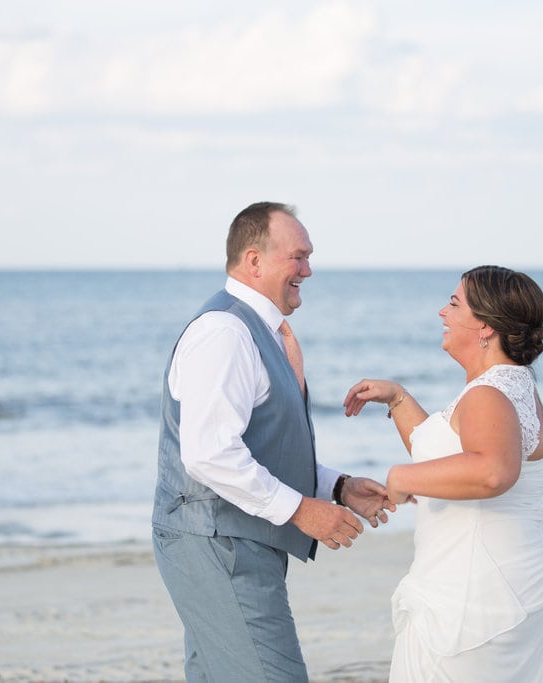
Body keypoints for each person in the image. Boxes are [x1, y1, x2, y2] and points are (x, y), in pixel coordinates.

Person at [151, 201, 395, 682]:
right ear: (254, 260)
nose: (308, 269)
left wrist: (337, 487)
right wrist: (302, 510)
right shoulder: (224, 332)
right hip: (218, 544)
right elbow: (209, 454)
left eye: (309, 257)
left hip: (234, 541)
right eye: (298, 257)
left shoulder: (259, 331)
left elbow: (261, 447)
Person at [343, 265, 543, 682]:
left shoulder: (487, 394)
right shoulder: (516, 384)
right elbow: (449, 454)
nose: (442, 311)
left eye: (454, 303)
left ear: (485, 326)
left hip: (471, 601)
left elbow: (493, 471)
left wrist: (401, 478)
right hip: (510, 586)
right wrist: (399, 398)